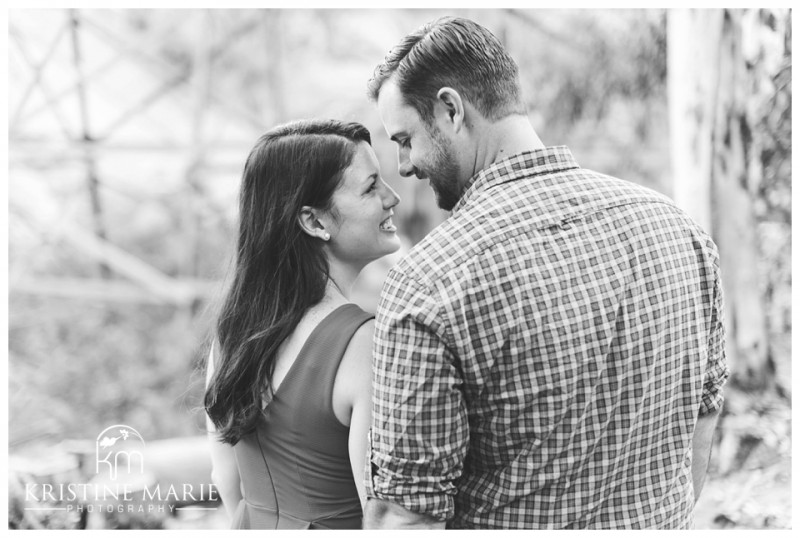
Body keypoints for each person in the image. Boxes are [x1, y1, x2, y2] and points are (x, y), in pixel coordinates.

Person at [364, 17, 729, 529]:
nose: (404, 165)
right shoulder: (678, 230)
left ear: (450, 109)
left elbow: (405, 515)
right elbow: (703, 416)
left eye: (406, 139)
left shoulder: (430, 279)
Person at [204, 119, 401, 529]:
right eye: (370, 187)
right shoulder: (362, 343)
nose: (392, 197)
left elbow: (226, 478)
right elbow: (381, 514)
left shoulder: (232, 335)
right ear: (313, 222)